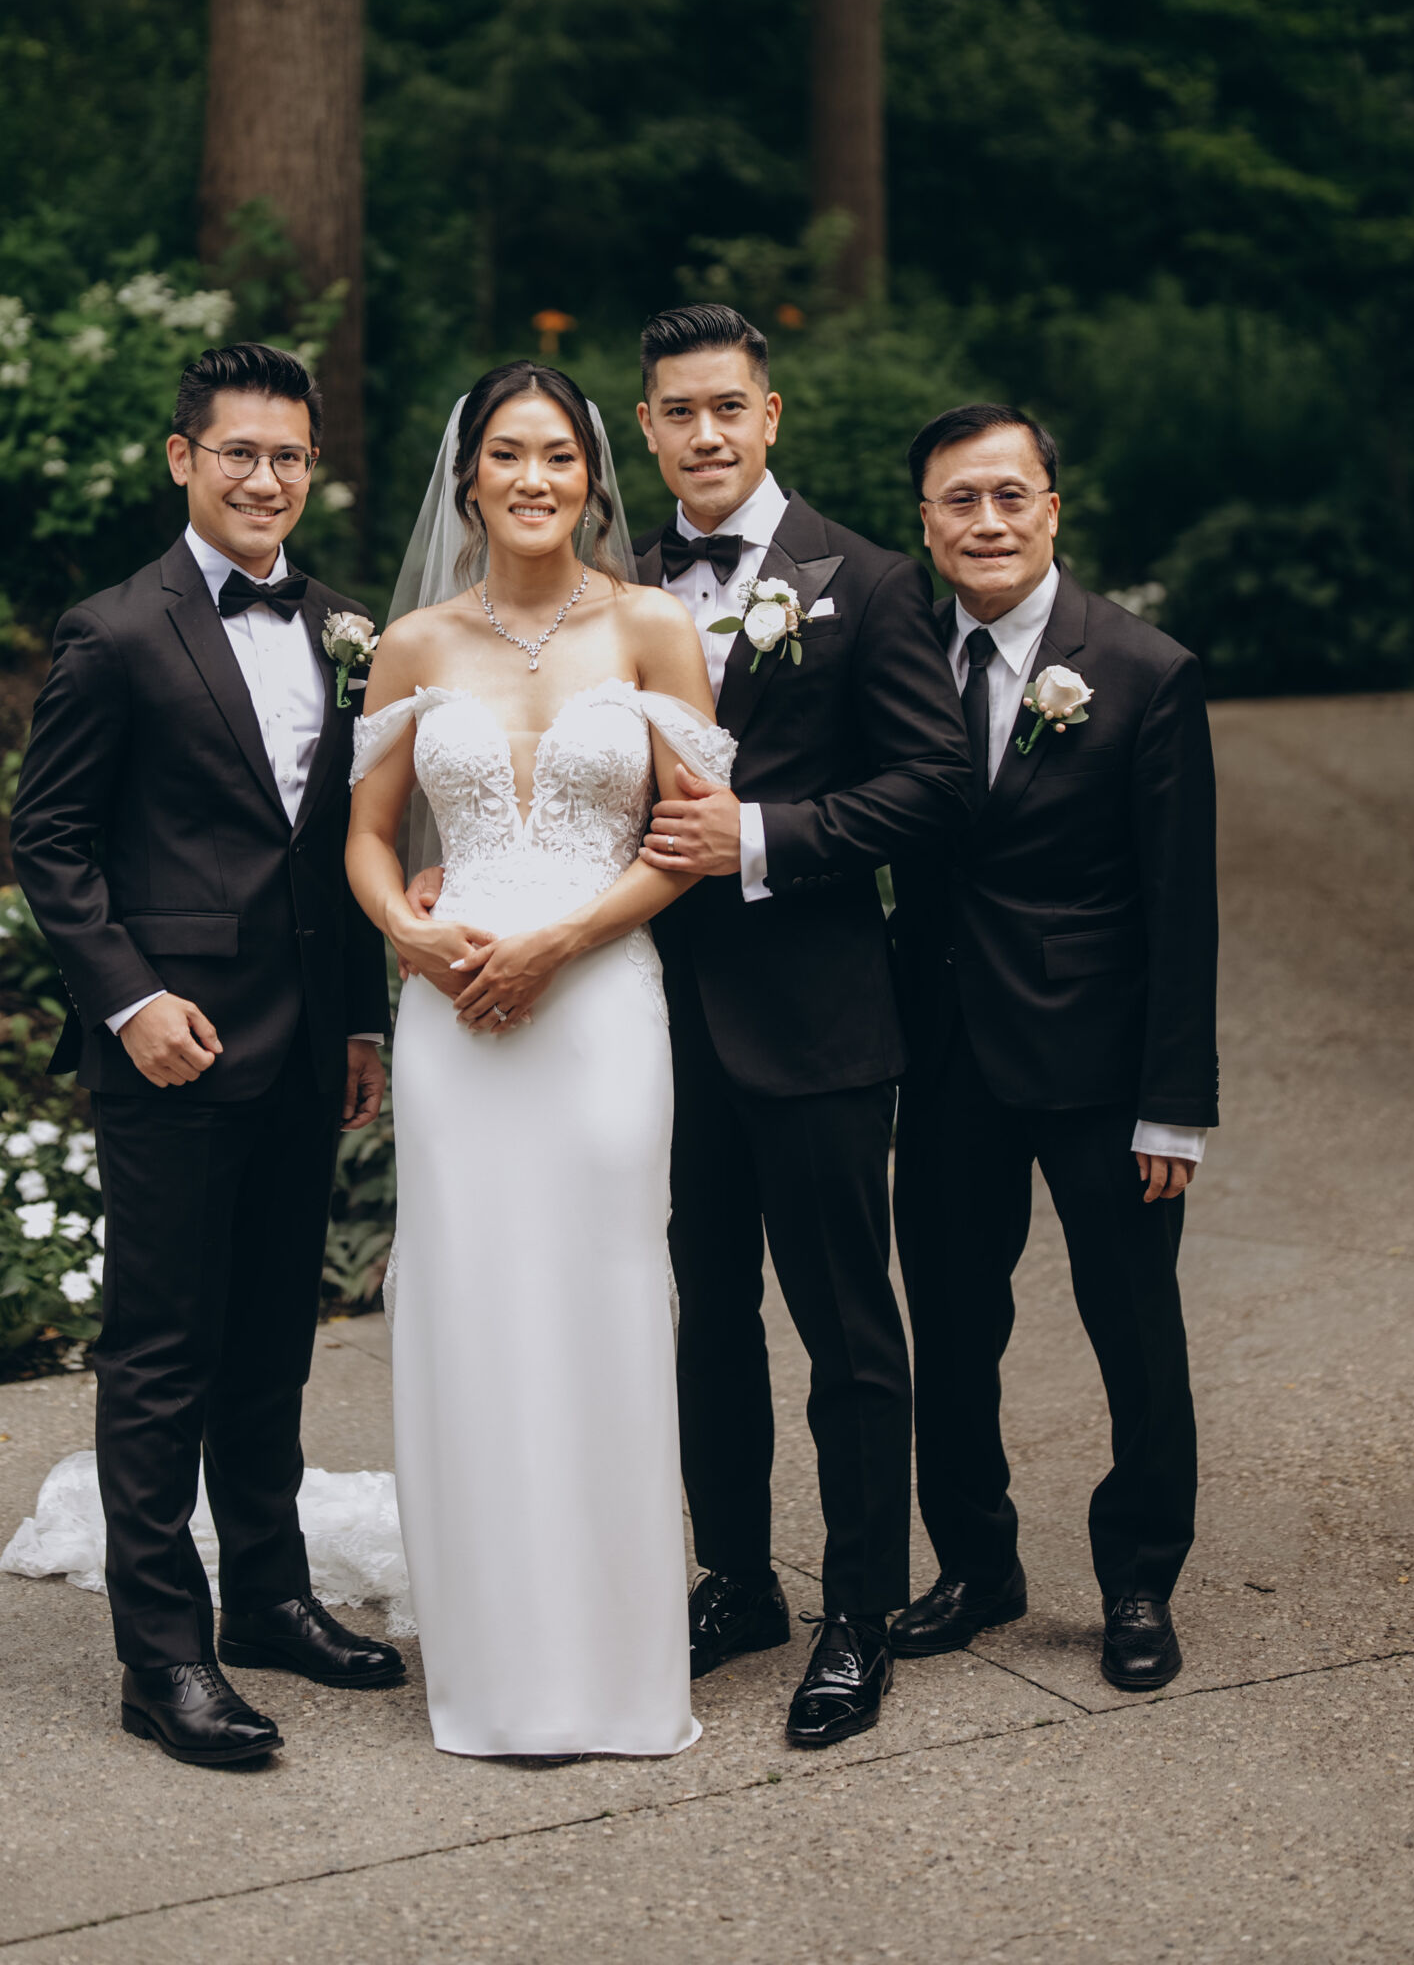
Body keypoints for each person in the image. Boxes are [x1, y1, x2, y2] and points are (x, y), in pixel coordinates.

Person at [11, 341, 403, 1771]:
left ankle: (273, 1596)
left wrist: (358, 1019)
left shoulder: (347, 624)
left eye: (288, 455)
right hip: (171, 1049)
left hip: (303, 1047)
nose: (264, 478)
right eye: (238, 451)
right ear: (183, 457)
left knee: (272, 1343)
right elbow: (49, 840)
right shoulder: (115, 632)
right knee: (162, 1351)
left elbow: (339, 845)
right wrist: (130, 1002)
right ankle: (161, 1653)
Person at [346, 361, 731, 1764]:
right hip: (454, 1022)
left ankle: (619, 1670)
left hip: (599, 1007)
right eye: (507, 454)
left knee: (607, 1303)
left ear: (592, 476)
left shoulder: (651, 627)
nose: (533, 478)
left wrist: (561, 942)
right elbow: (369, 838)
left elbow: (689, 840)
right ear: (468, 480)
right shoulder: (412, 645)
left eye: (558, 455)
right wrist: (410, 934)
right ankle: (495, 1667)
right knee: (471, 1308)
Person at [630, 303, 971, 1748]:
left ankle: (860, 1613)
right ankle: (737, 1582)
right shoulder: (610, 587)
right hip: (652, 1022)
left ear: (770, 416)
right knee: (705, 1318)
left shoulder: (871, 582)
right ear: (646, 430)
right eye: (679, 412)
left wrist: (762, 837)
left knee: (847, 1328)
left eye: (729, 408)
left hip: (819, 1018)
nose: (706, 434)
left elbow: (934, 783)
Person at [890, 403, 1218, 1693]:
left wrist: (1174, 1104)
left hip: (1099, 1064)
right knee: (951, 1325)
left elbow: (1182, 906)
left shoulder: (1143, 670)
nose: (987, 522)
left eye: (1009, 495)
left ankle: (1139, 1577)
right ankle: (976, 1565)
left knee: (1133, 1327)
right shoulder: (895, 654)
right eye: (959, 501)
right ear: (926, 523)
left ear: (1051, 509)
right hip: (942, 1054)